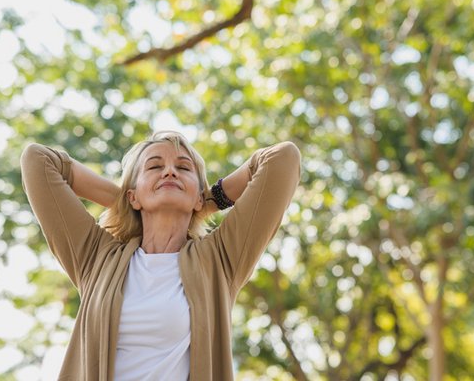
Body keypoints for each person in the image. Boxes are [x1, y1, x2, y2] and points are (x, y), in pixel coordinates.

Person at [20, 130, 301, 380]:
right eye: (154, 166)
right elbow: (38, 160)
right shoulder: (96, 256)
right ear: (133, 195)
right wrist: (126, 202)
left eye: (183, 168)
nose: (170, 172)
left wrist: (207, 201)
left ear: (198, 196)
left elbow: (282, 159)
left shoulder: (220, 259)